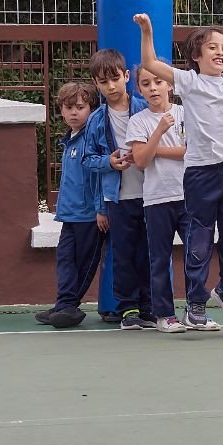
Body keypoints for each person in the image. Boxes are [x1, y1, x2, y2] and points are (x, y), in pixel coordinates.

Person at [133, 14, 223, 331]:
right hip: (200, 174)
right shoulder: (189, 82)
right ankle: (195, 302)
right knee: (200, 240)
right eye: (213, 47)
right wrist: (147, 30)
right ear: (197, 55)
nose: (220, 52)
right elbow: (149, 63)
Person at [82, 49, 154, 331]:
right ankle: (129, 309)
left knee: (150, 253)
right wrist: (109, 162)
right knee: (123, 254)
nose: (111, 86)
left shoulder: (145, 108)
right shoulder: (96, 120)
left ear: (126, 76)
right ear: (96, 84)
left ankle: (150, 306)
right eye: (103, 82)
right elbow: (88, 160)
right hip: (118, 198)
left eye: (115, 79)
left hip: (151, 195)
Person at [36, 81, 105, 329]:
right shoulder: (70, 140)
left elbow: (100, 176)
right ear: (61, 111)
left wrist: (101, 209)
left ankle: (70, 306)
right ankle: (63, 303)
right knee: (65, 259)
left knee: (84, 263)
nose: (74, 112)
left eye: (80, 107)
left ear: (92, 109)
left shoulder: (91, 139)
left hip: (89, 215)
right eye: (68, 107)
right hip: (69, 215)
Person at [125, 66, 189, 333]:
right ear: (139, 89)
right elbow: (140, 160)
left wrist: (155, 150)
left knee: (196, 255)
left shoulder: (187, 113)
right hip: (156, 199)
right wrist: (160, 130)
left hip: (189, 197)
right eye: (146, 83)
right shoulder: (138, 121)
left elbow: (192, 152)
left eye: (158, 82)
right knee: (159, 260)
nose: (153, 88)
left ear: (169, 85)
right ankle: (165, 315)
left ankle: (195, 310)